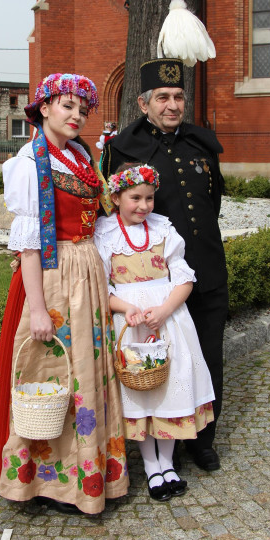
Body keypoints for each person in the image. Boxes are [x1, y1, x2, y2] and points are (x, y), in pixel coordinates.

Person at [0, 73, 128, 515]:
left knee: (86, 374)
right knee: (54, 376)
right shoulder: (31, 162)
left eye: (82, 110)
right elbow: (27, 244)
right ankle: (49, 482)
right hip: (52, 277)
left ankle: (84, 471)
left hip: (85, 272)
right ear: (44, 108)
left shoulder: (80, 155)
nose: (76, 116)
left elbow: (101, 216)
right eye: (67, 106)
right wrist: (36, 310)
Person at [102, 0, 226, 474]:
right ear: (144, 103)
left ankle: (203, 438)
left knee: (206, 355)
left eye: (177, 96)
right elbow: (114, 215)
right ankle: (155, 447)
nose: (172, 105)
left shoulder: (202, 143)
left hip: (206, 270)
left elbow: (213, 202)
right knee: (154, 358)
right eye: (162, 98)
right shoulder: (124, 148)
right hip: (152, 282)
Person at [94, 163, 215, 502]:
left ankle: (167, 461)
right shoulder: (105, 234)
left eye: (149, 198)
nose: (144, 206)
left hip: (168, 317)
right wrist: (125, 309)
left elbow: (184, 277)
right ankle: (150, 465)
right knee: (140, 390)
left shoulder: (163, 230)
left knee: (169, 385)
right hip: (130, 324)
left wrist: (164, 310)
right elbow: (101, 287)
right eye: (135, 198)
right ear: (116, 196)